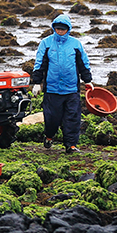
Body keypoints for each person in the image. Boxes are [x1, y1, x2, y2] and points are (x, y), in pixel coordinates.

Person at [32, 14, 92, 154]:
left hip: (71, 89)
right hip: (52, 89)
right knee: (52, 118)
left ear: (68, 29)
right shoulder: (46, 43)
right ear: (54, 28)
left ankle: (71, 145)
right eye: (58, 28)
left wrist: (88, 80)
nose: (60, 31)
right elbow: (40, 63)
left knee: (72, 117)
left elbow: (83, 63)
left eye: (63, 29)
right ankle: (49, 136)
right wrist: (36, 82)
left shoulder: (75, 44)